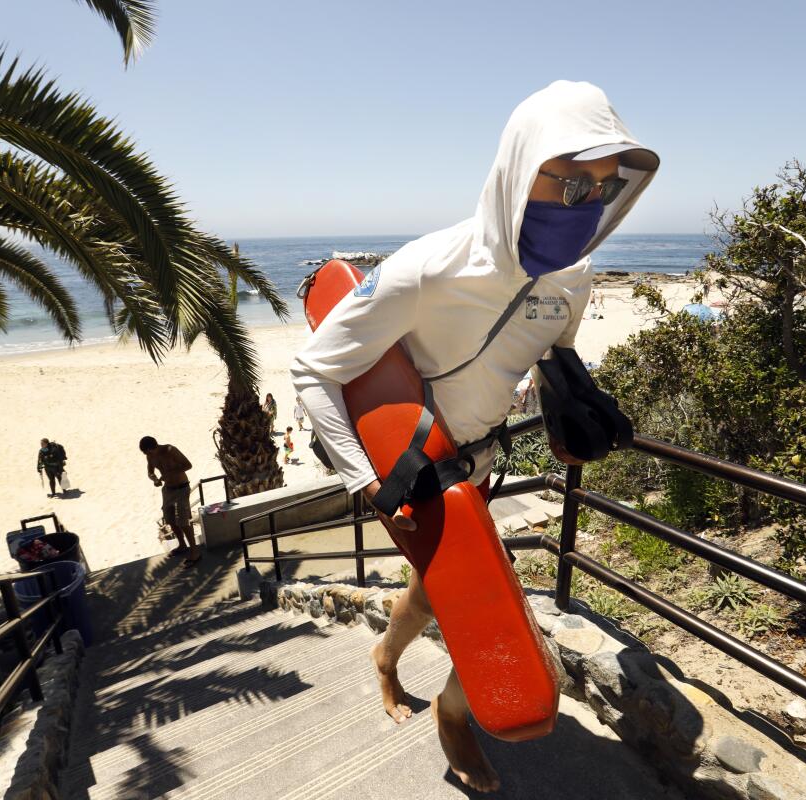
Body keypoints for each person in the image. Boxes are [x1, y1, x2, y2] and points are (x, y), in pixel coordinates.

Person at [291, 81, 658, 792]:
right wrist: (360, 480)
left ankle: (387, 662)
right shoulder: (427, 268)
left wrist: (570, 415)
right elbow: (314, 371)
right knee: (473, 596)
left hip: (482, 464)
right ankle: (454, 715)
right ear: (522, 169)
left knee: (439, 592)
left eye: (605, 191)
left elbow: (553, 358)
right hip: (411, 471)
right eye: (574, 185)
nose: (590, 206)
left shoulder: (574, 281)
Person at [139, 436, 201, 566]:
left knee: (183, 521)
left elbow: (188, 465)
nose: (147, 455)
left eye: (148, 452)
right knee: (170, 520)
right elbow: (150, 472)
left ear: (153, 447)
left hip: (181, 488)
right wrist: (154, 478)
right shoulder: (150, 456)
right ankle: (182, 545)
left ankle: (194, 552)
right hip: (168, 490)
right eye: (146, 453)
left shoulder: (170, 450)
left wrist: (169, 473)